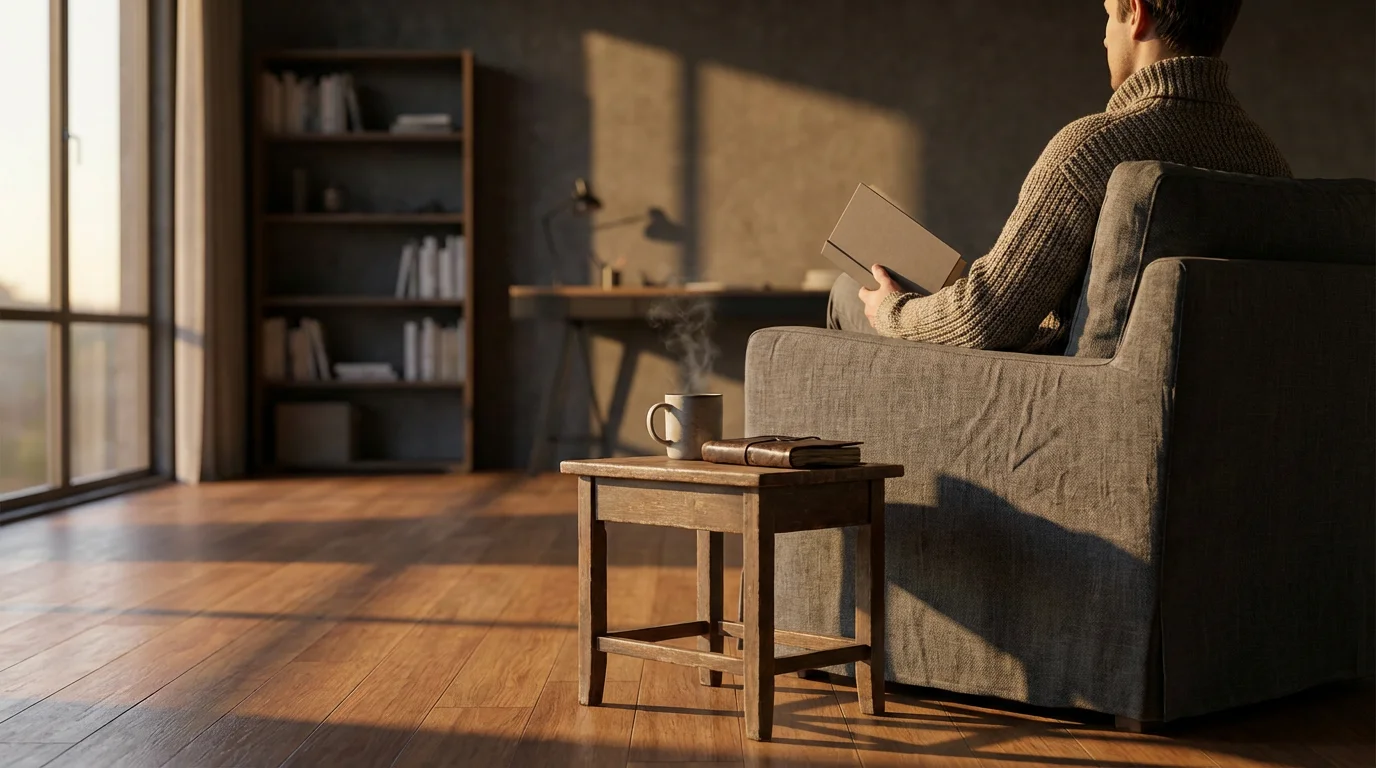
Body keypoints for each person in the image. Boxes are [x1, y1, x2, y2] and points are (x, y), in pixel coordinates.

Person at [829, 0, 1291, 352]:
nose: (1104, 38)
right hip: (1210, 424)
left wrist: (893, 311)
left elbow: (986, 316)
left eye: (1109, 14)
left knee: (850, 293)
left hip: (1045, 404)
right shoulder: (1270, 166)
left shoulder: (1096, 149)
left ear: (1137, 14)